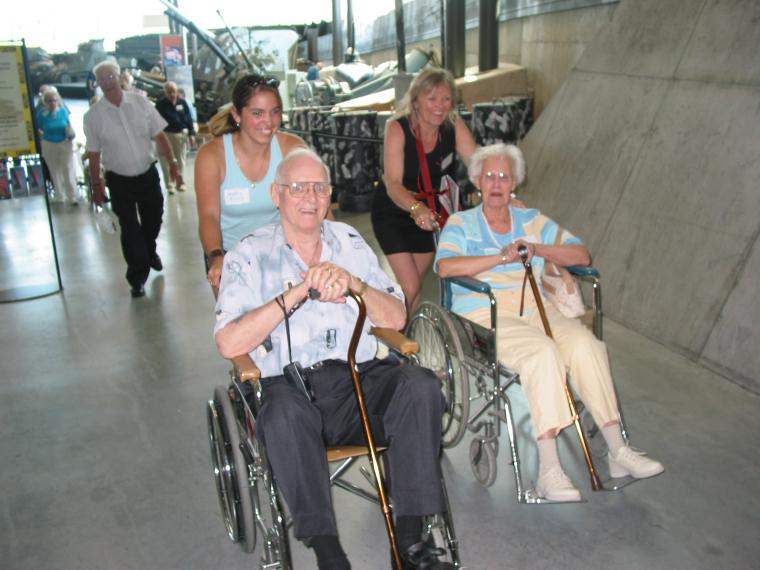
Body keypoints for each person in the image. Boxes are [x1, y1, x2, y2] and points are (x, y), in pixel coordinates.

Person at [214, 148, 453, 570]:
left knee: (420, 385)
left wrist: (356, 284)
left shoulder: (350, 242)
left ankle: (410, 543)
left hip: (357, 380)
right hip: (290, 388)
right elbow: (229, 342)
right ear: (277, 194)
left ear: (330, 194)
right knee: (284, 414)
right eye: (297, 187)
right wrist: (297, 293)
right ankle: (330, 556)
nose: (309, 197)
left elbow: (397, 315)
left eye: (319, 187)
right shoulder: (248, 254)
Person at [435, 143, 664, 502]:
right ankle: (548, 470)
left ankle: (618, 450)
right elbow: (446, 267)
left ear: (515, 183)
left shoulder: (533, 221)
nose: (496, 183)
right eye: (489, 176)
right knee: (542, 353)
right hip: (485, 312)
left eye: (504, 177)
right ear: (478, 181)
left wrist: (537, 249)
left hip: (536, 307)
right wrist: (499, 257)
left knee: (587, 346)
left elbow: (580, 254)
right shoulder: (460, 223)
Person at [371, 67, 476, 314]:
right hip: (396, 212)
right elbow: (393, 182)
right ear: (416, 100)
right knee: (409, 286)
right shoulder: (397, 128)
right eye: (432, 99)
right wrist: (416, 208)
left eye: (446, 99)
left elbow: (478, 164)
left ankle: (400, 337)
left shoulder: (453, 125)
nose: (440, 106)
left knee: (413, 289)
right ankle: (391, 333)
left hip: (431, 215)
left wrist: (500, 189)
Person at [194, 74, 306, 295]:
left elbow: (315, 202)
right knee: (238, 324)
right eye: (257, 113)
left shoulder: (292, 148)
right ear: (237, 115)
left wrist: (340, 243)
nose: (269, 121)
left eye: (275, 112)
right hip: (229, 254)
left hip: (281, 251)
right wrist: (216, 257)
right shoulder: (212, 156)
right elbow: (209, 216)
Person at [84, 60, 182, 298]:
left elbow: (159, 136)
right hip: (119, 182)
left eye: (111, 76)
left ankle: (150, 249)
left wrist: (173, 164)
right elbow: (94, 153)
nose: (108, 82)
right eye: (102, 79)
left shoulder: (140, 103)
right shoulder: (94, 116)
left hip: (147, 175)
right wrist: (97, 185)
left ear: (119, 77)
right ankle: (137, 278)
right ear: (97, 83)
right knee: (130, 230)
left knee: (154, 219)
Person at [35, 87, 79, 205]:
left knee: (67, 169)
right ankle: (60, 195)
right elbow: (37, 128)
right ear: (45, 102)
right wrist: (42, 136)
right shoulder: (41, 114)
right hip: (49, 143)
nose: (52, 103)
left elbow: (68, 125)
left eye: (54, 100)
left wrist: (70, 135)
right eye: (49, 101)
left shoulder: (63, 112)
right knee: (54, 170)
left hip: (64, 143)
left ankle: (73, 195)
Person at [155, 81, 195, 194]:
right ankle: (169, 185)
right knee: (166, 161)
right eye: (169, 92)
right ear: (165, 93)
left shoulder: (182, 103)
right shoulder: (160, 105)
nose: (172, 94)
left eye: (174, 91)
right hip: (166, 136)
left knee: (180, 160)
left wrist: (191, 133)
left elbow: (188, 118)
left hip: (181, 136)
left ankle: (180, 183)